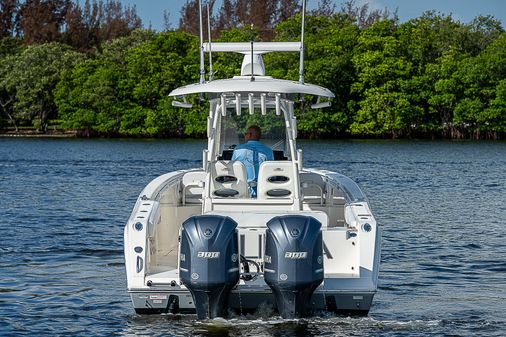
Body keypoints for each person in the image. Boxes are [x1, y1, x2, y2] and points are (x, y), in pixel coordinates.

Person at [232, 125, 274, 197]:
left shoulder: (237, 149)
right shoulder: (268, 150)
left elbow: (232, 169)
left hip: (241, 191)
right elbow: (271, 172)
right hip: (263, 191)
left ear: (250, 135)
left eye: (245, 134)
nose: (244, 136)